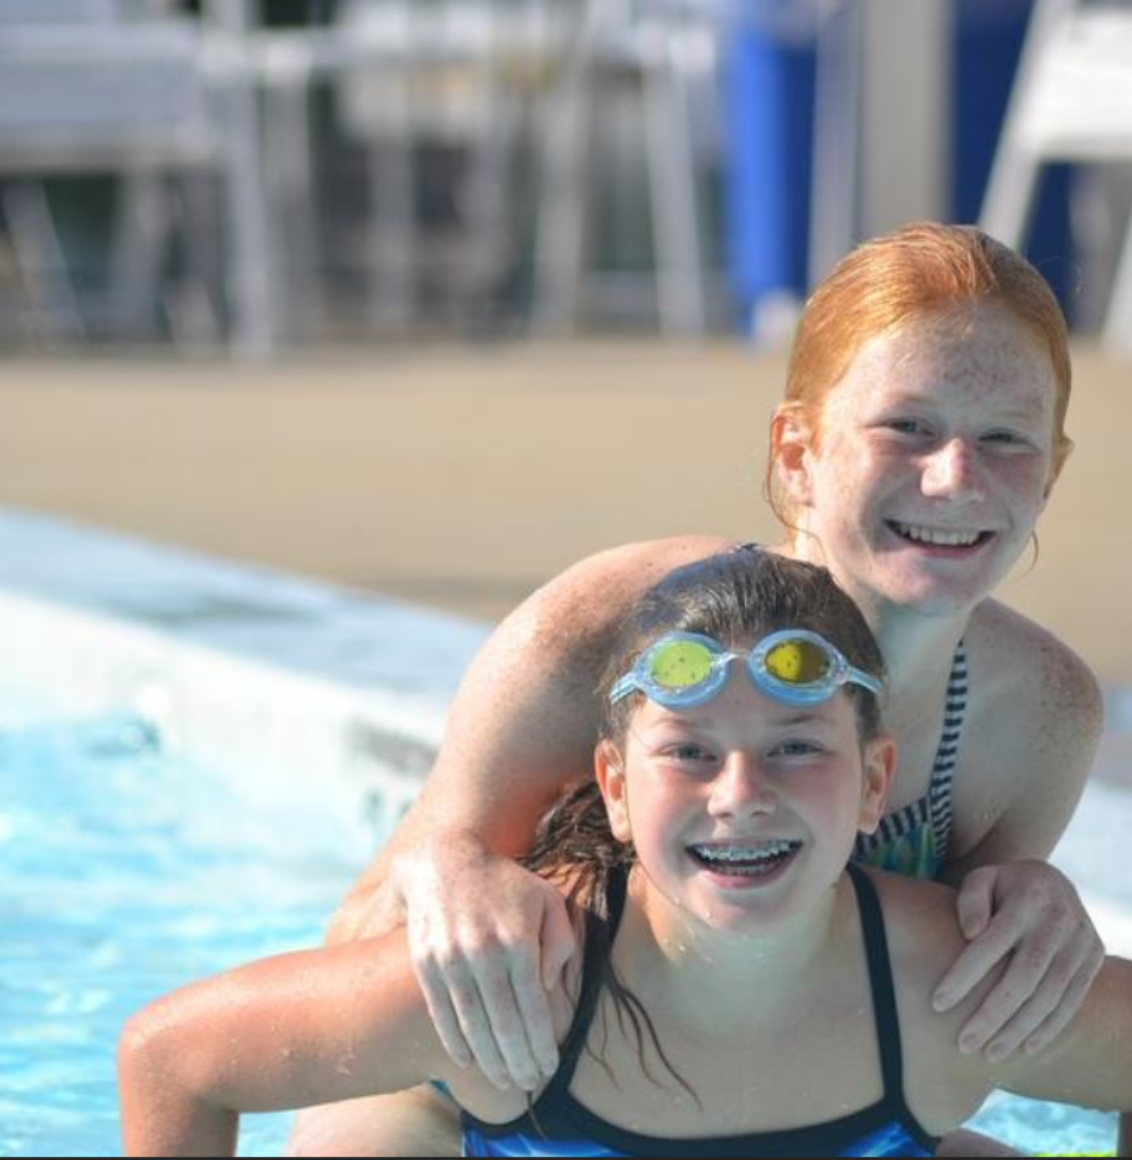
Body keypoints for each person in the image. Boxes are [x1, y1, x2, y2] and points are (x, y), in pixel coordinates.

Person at [288, 222, 1117, 1159]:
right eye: (908, 427)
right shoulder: (612, 628)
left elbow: (947, 1023)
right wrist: (449, 875)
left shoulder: (1039, 713)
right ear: (798, 454)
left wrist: (1029, 919)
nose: (956, 476)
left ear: (1050, 477)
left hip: (800, 1120)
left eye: (1005, 438)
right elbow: (359, 947)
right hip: (487, 1116)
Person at [119, 551, 1132, 1159]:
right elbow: (169, 1058)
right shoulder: (523, 986)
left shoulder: (937, 992)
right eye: (688, 754)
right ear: (612, 785)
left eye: (793, 748)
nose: (740, 794)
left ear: (874, 779)